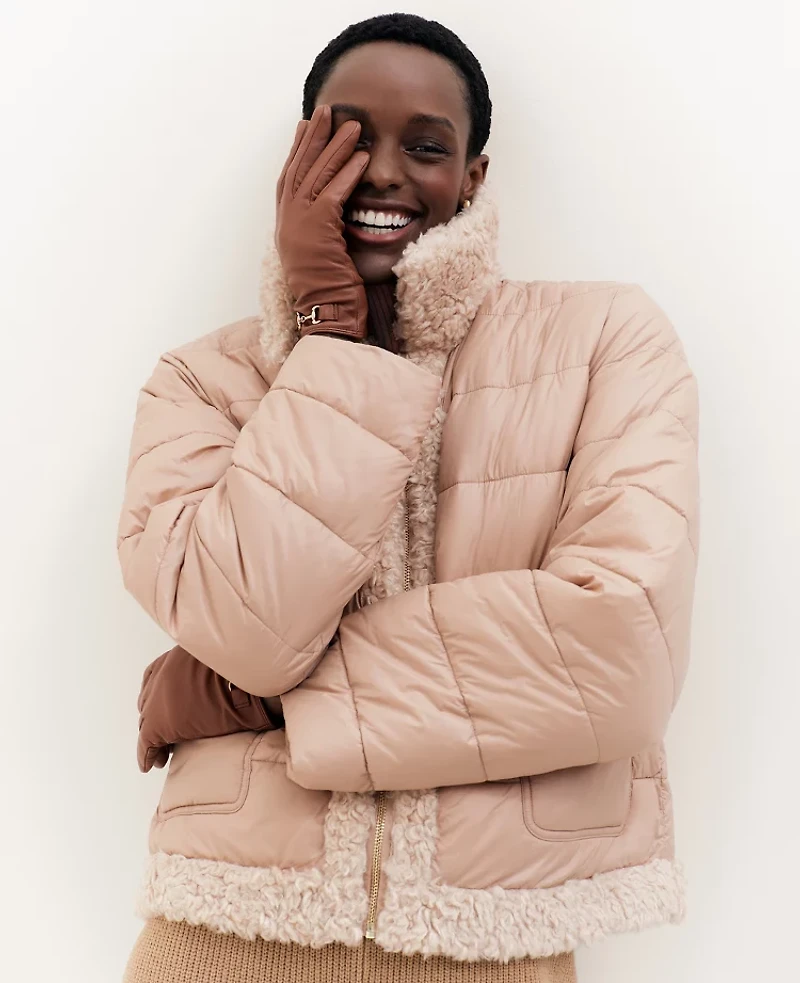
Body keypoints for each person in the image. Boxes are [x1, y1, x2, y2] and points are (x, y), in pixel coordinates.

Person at [118, 12, 699, 983]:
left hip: (492, 946)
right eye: (348, 140)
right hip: (215, 935)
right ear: (300, 159)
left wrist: (250, 696)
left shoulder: (607, 341)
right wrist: (331, 338)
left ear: (472, 175)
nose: (382, 172)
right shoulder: (202, 382)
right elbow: (247, 621)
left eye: (425, 146)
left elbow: (618, 653)